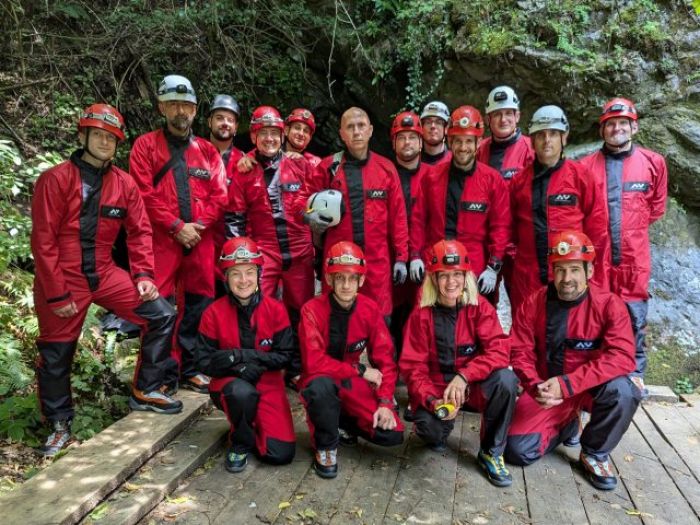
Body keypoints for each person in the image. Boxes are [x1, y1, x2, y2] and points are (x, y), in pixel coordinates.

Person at [31, 104, 179, 456]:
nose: (104, 142)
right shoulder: (56, 179)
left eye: (111, 138)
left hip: (104, 269)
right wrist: (56, 294)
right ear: (82, 136)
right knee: (56, 353)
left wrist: (143, 275)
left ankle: (146, 388)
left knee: (161, 313)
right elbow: (43, 241)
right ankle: (59, 424)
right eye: (97, 134)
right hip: (63, 274)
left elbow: (140, 232)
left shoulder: (124, 183)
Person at [505, 231, 640, 491]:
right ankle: (567, 424)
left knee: (625, 390)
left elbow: (622, 356)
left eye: (575, 270)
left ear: (590, 271)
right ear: (552, 272)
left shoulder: (609, 305)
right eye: (561, 270)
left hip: (590, 389)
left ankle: (594, 453)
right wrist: (535, 386)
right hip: (547, 390)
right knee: (516, 451)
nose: (567, 279)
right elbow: (519, 351)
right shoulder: (534, 302)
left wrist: (568, 384)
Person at [130, 74, 228, 394]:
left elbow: (220, 195)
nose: (180, 111)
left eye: (186, 105)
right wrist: (176, 226)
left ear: (196, 110)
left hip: (200, 240)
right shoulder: (145, 146)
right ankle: (158, 377)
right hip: (161, 240)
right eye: (173, 104)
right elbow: (142, 193)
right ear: (161, 107)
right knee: (161, 307)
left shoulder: (208, 152)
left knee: (199, 306)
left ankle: (191, 368)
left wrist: (197, 227)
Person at [400, 239, 517, 487]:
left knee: (506, 380)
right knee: (431, 434)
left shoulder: (480, 308)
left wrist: (464, 376)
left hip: (470, 388)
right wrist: (433, 401)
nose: (451, 282)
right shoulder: (421, 315)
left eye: (457, 275)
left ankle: (491, 452)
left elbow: (500, 351)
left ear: (466, 277)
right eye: (443, 275)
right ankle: (440, 424)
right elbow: (412, 368)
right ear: (433, 278)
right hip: (437, 392)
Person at [579, 98, 667, 392]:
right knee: (594, 316)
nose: (617, 128)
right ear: (602, 130)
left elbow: (655, 208)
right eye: (611, 124)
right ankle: (593, 380)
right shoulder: (585, 167)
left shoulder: (654, 163)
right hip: (597, 258)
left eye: (622, 123)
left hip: (633, 258)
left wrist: (631, 233)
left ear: (634, 127)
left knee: (633, 316)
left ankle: (633, 373)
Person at [299, 241, 404, 479]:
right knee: (320, 388)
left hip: (349, 381)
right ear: (329, 280)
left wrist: (386, 402)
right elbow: (314, 362)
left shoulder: (370, 309)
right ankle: (326, 447)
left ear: (362, 280)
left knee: (392, 433)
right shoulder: (312, 310)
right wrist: (360, 370)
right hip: (320, 379)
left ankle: (341, 422)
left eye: (352, 278)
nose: (346, 285)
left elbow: (386, 361)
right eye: (339, 278)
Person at [225, 105, 315, 382]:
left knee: (303, 312)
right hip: (264, 251)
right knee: (255, 306)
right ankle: (257, 364)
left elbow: (323, 186)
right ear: (253, 136)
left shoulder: (301, 164)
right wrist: (239, 260)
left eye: (274, 133)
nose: (270, 139)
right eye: (263, 133)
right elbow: (234, 216)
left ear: (283, 134)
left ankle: (299, 368)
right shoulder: (244, 169)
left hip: (300, 251)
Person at [195, 237, 296, 473]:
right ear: (226, 277)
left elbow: (285, 356)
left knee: (279, 454)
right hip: (230, 383)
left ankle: (252, 423)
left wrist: (240, 355)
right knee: (241, 393)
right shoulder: (213, 313)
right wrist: (237, 367)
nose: (243, 281)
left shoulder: (276, 309)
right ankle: (239, 442)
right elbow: (203, 360)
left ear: (259, 275)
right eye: (235, 274)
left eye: (250, 272)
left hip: (269, 383)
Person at [303, 107, 409, 323]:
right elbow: (303, 205)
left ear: (370, 130)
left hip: (378, 263)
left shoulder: (386, 168)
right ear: (341, 133)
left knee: (380, 322)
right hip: (337, 261)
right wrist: (312, 219)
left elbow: (398, 217)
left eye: (361, 126)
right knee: (335, 321)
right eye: (350, 127)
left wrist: (401, 258)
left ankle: (381, 358)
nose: (357, 132)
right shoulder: (328, 168)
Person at [508, 105, 607, 315]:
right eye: (541, 135)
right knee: (528, 332)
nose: (547, 141)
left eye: (553, 134)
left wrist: (588, 269)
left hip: (570, 273)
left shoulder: (581, 177)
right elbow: (511, 229)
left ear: (564, 137)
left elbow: (597, 228)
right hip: (528, 274)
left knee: (571, 331)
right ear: (532, 140)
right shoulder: (518, 182)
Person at [410, 105, 510, 305]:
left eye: (468, 141)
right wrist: (414, 256)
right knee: (431, 325)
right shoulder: (431, 177)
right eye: (458, 141)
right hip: (434, 264)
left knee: (474, 327)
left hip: (475, 268)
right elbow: (418, 219)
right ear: (449, 141)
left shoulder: (492, 181)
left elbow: (500, 227)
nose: (463, 147)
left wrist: (493, 267)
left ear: (478, 142)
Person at [477, 86, 534, 299]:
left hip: (518, 247)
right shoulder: (479, 150)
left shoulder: (531, 150)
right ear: (488, 119)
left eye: (508, 113)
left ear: (517, 116)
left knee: (523, 304)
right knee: (483, 305)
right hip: (487, 243)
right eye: (497, 114)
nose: (503, 119)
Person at [389, 111, 431, 351]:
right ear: (393, 141)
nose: (407, 143)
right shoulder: (385, 171)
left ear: (421, 142)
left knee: (420, 310)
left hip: (422, 256)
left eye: (412, 138)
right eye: (402, 137)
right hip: (389, 255)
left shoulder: (434, 175)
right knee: (390, 311)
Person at [207, 94, 244, 297]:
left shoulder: (244, 161)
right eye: (220, 118)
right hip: (199, 240)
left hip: (231, 242)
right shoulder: (192, 154)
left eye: (230, 120)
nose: (225, 123)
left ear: (237, 127)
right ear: (209, 121)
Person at [420, 100, 452, 166]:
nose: (433, 126)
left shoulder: (454, 163)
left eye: (438, 122)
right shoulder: (412, 162)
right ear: (421, 126)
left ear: (446, 127)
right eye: (428, 122)